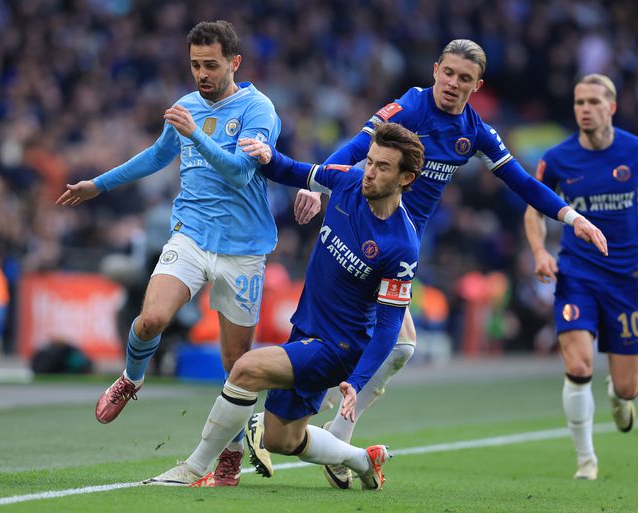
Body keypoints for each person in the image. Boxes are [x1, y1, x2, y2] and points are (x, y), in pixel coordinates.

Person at [291, 39, 608, 489]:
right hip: (364, 233)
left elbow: (522, 183)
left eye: (465, 78)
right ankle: (316, 432)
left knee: (394, 346)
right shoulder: (409, 107)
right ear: (436, 70)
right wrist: (316, 183)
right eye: (449, 73)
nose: (454, 83)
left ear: (477, 85)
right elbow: (357, 147)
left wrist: (573, 218)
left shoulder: (474, 132)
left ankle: (317, 428)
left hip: (397, 250)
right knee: (383, 343)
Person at [56, 20, 315, 486]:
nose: (201, 74)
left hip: (243, 250)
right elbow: (157, 156)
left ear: (234, 62)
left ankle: (231, 453)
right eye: (195, 64)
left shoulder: (258, 109)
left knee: (237, 365)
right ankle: (131, 379)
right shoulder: (186, 106)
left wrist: (196, 134)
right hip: (191, 235)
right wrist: (99, 184)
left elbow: (240, 172)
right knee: (151, 319)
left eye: (210, 65)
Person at [143, 122, 423, 488]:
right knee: (282, 438)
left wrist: (357, 382)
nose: (369, 172)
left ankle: (193, 470)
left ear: (406, 178)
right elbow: (293, 171)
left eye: (382, 167)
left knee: (245, 369)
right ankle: (362, 460)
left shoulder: (402, 246)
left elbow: (388, 326)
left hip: (338, 347)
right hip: (305, 328)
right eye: (369, 161)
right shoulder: (348, 181)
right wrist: (268, 156)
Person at [524, 74, 638, 481]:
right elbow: (534, 209)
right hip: (578, 273)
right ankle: (586, 460)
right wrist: (540, 252)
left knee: (628, 388)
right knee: (578, 364)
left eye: (593, 102)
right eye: (579, 102)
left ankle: (619, 395)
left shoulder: (633, 151)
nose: (584, 109)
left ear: (612, 107)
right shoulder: (557, 158)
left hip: (627, 279)